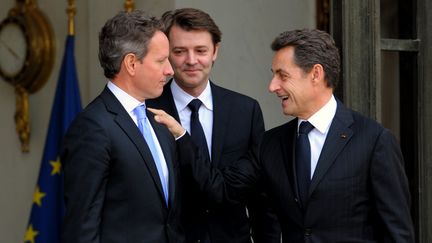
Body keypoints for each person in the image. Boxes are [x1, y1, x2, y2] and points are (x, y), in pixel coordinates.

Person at [150, 28, 415, 242]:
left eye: (282, 75)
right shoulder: (271, 144)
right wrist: (181, 135)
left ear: (316, 74)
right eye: (273, 75)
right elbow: (222, 189)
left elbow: (397, 232)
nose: (272, 86)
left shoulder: (374, 141)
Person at [146, 7, 280, 243]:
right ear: (166, 54)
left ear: (215, 51)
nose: (191, 61)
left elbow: (261, 196)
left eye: (200, 50)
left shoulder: (245, 111)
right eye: (179, 51)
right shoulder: (148, 111)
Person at [60, 10, 183, 243]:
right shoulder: (92, 128)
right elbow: (81, 228)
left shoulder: (159, 122)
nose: (170, 70)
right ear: (131, 64)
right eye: (161, 60)